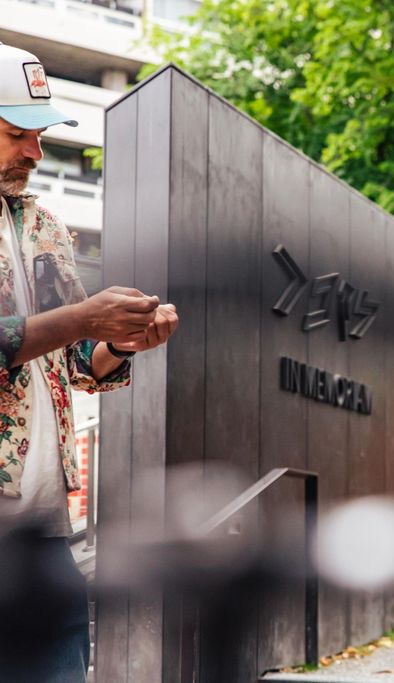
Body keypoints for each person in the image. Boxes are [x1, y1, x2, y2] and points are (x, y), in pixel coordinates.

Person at [0, 42, 179, 682]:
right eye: (17, 133)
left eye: (40, 135)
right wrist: (85, 318)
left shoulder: (45, 225)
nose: (36, 152)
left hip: (44, 533)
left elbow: (75, 360)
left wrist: (122, 341)